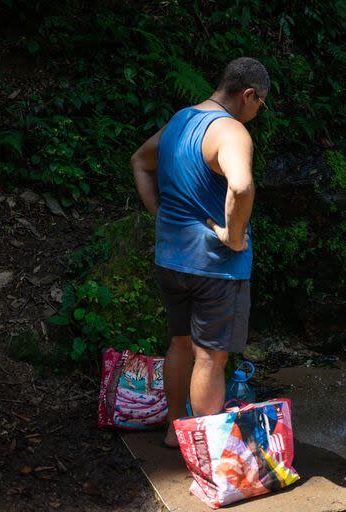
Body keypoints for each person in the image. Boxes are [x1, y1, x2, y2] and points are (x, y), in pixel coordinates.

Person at [131, 57, 270, 448]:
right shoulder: (231, 132)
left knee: (179, 344)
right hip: (215, 269)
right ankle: (206, 451)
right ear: (248, 95)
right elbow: (241, 187)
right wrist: (233, 235)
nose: (258, 113)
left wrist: (162, 216)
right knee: (210, 358)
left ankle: (175, 432)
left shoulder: (180, 120)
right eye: (260, 104)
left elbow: (140, 162)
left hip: (170, 260)